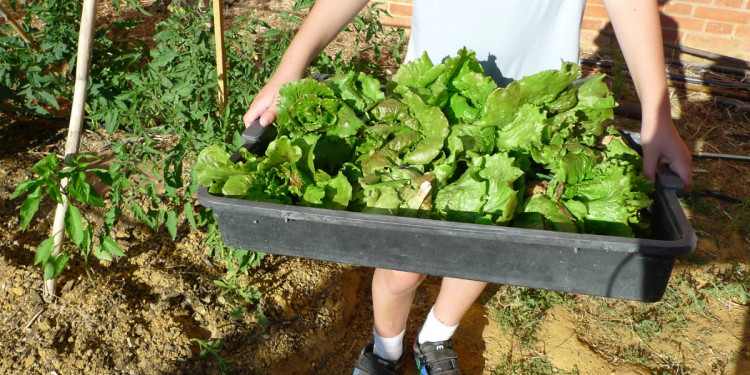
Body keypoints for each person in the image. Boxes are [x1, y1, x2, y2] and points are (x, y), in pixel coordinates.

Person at [243, 1, 693, 374]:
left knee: (485, 242)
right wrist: (291, 65)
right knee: (401, 265)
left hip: (531, 113)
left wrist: (657, 115)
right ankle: (386, 350)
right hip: (430, 101)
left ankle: (434, 338)